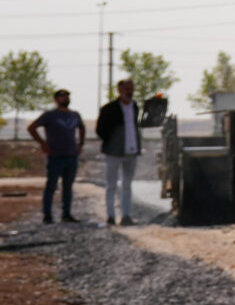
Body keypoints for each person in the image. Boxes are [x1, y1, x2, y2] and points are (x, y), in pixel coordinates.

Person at [27, 89, 84, 224]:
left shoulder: (74, 115)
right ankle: (47, 216)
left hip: (71, 155)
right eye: (62, 97)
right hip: (56, 156)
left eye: (67, 96)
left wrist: (80, 143)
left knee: (68, 186)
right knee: (51, 186)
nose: (65, 99)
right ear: (56, 99)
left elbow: (82, 128)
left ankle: (66, 214)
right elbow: (32, 128)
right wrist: (43, 143)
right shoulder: (50, 115)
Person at [96, 78, 146, 226]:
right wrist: (113, 141)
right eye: (126, 89)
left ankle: (126, 215)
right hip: (114, 152)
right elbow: (101, 130)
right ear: (119, 90)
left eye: (131, 89)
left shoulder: (134, 107)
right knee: (111, 185)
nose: (129, 92)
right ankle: (111, 216)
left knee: (127, 185)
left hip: (131, 151)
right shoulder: (109, 108)